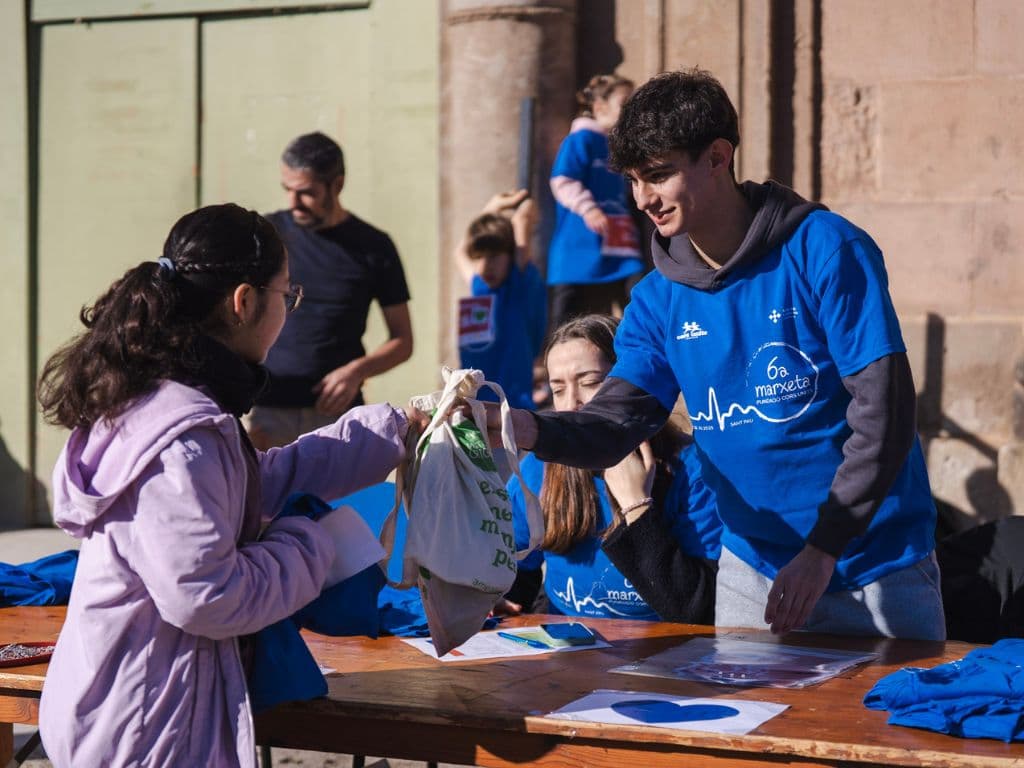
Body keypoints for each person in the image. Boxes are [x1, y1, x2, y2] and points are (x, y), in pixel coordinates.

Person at [489, 68, 945, 641]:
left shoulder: (826, 248)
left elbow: (884, 416)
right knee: (747, 731)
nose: (643, 199)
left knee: (890, 731)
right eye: (633, 180)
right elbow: (613, 426)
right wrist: (518, 426)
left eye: (658, 176)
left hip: (875, 564)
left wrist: (822, 549)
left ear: (718, 157)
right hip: (752, 572)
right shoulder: (656, 298)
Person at [35, 204, 424, 767]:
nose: (288, 312)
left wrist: (390, 431)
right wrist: (314, 544)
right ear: (244, 302)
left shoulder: (169, 406)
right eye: (287, 296)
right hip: (148, 731)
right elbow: (205, 595)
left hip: (137, 708)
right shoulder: (182, 438)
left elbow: (255, 482)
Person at [503, 314, 720, 623]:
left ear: (630, 388)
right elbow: (517, 575)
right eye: (558, 389)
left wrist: (637, 507)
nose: (571, 405)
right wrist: (503, 600)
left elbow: (698, 610)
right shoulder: (539, 469)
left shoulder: (691, 470)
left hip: (663, 657)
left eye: (590, 383)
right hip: (567, 655)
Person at [248, 131, 413, 449]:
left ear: (336, 185)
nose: (293, 203)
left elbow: (402, 341)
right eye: (288, 190)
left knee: (343, 502)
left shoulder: (374, 247)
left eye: (306, 192)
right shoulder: (266, 236)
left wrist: (355, 372)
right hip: (268, 413)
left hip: (338, 420)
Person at [547, 74, 645, 332]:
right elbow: (563, 180)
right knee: (566, 308)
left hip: (620, 240)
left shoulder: (617, 146)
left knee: (637, 297)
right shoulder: (581, 140)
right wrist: (588, 208)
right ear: (600, 107)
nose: (630, 111)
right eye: (625, 103)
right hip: (581, 242)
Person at [455, 190, 546, 410]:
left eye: (494, 257)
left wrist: (523, 208)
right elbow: (461, 252)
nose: (485, 266)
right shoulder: (480, 288)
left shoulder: (517, 286)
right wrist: (493, 207)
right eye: (479, 257)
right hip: (473, 406)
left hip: (512, 409)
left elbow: (522, 219)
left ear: (511, 255)